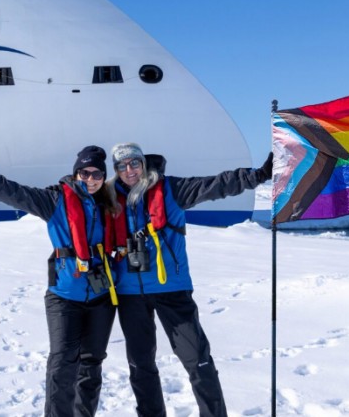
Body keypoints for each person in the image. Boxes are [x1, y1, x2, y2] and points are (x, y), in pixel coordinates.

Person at [101, 142, 272, 417]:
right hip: (130, 294)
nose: (129, 170)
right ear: (116, 169)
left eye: (134, 163)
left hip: (173, 290)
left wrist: (258, 175)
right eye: (122, 165)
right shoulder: (108, 198)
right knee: (140, 364)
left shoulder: (171, 189)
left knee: (198, 359)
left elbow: (216, 185)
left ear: (143, 164)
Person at [0, 146, 119, 417]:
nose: (90, 178)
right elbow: (13, 192)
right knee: (62, 365)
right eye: (84, 172)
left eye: (97, 173)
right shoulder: (54, 200)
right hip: (64, 297)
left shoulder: (108, 203)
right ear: (76, 173)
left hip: (101, 298)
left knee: (92, 365)